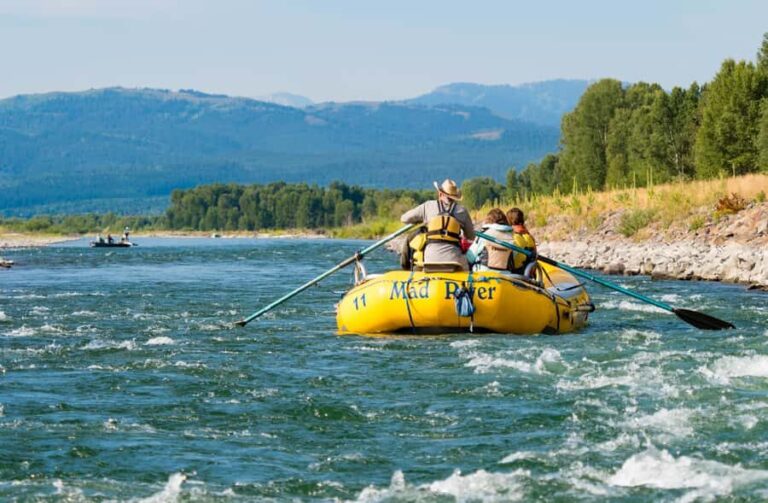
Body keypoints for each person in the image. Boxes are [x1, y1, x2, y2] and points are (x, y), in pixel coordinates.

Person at [400, 179, 475, 271]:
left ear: (440, 194)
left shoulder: (428, 206)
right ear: (455, 197)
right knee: (469, 264)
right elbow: (471, 236)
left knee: (412, 239)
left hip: (429, 259)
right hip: (454, 260)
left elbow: (404, 219)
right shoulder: (462, 211)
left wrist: (421, 219)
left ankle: (405, 269)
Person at [506, 207, 537, 275]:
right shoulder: (529, 236)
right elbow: (535, 256)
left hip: (515, 274)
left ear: (509, 221)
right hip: (529, 275)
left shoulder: (512, 237)